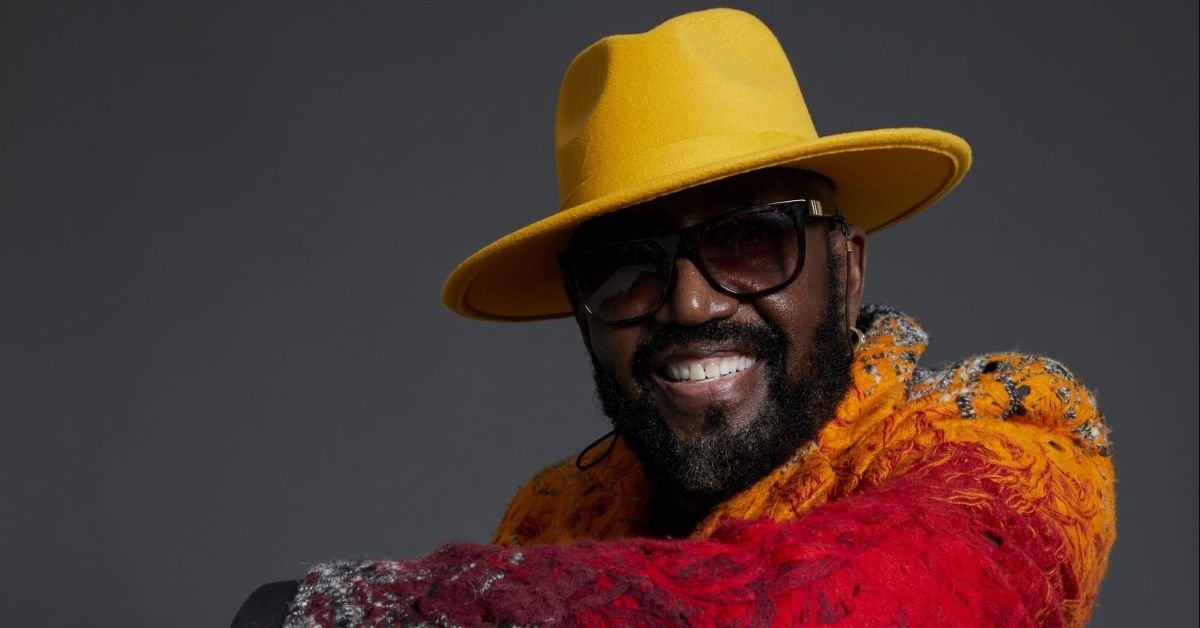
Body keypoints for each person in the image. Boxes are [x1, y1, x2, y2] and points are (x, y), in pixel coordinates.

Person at [233, 8, 1115, 626]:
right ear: (581, 313)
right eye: (625, 268)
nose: (691, 303)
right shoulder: (554, 518)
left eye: (749, 239)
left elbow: (818, 609)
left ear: (846, 268)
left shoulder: (1016, 452)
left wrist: (358, 611)